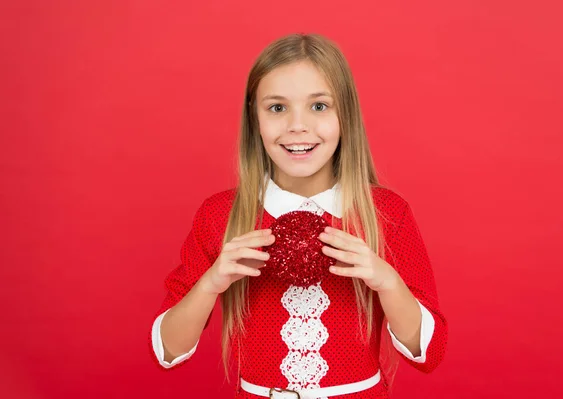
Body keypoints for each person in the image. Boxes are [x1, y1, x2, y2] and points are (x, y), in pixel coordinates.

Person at [149, 33, 448, 398]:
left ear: (345, 115)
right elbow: (168, 351)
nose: (297, 126)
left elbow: (429, 354)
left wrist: (387, 282)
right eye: (277, 108)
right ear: (254, 118)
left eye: (319, 106)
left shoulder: (386, 213)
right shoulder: (218, 215)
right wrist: (211, 283)